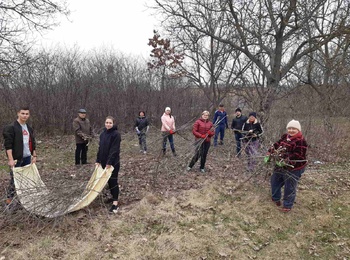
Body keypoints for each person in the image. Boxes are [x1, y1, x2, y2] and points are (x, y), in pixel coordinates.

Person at [265, 119, 308, 212]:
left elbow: (298, 156)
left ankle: (287, 205)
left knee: (290, 186)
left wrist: (285, 159)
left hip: (294, 168)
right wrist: (270, 152)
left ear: (298, 130)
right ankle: (276, 199)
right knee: (275, 181)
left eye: (294, 129)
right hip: (280, 165)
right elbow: (276, 145)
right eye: (289, 128)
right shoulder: (285, 137)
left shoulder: (301, 141)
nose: (291, 130)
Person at [2, 106, 37, 205]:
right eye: (23, 113)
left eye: (27, 114)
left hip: (27, 158)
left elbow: (32, 142)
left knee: (26, 179)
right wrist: (10, 159)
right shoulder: (11, 127)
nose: (25, 116)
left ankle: (25, 199)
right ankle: (9, 201)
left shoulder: (29, 128)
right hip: (16, 159)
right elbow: (8, 145)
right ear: (18, 113)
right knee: (14, 180)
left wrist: (34, 156)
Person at [96, 116, 121, 213]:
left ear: (113, 123)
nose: (108, 124)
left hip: (113, 163)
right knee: (108, 181)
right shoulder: (103, 134)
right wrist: (98, 160)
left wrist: (109, 162)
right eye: (107, 122)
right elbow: (100, 148)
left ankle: (115, 204)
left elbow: (114, 150)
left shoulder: (116, 134)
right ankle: (113, 197)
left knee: (113, 181)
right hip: (103, 162)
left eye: (110, 123)